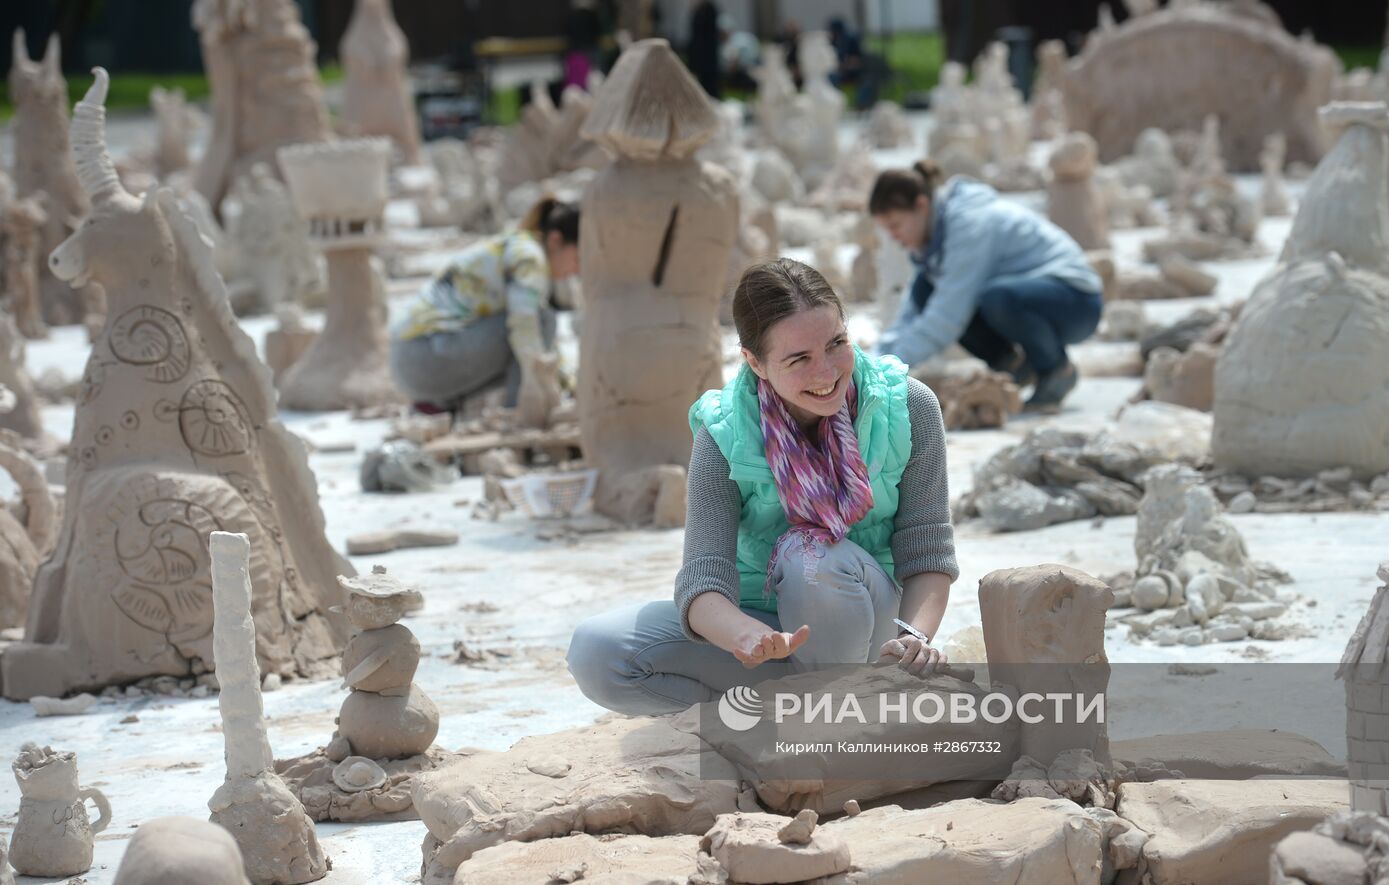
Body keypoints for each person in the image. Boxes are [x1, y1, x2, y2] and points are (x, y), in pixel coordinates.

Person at [567, 259, 959, 715]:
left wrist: (913, 637)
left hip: (873, 633)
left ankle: (839, 710)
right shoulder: (723, 433)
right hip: (769, 639)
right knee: (599, 650)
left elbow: (926, 548)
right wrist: (745, 635)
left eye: (836, 343)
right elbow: (703, 576)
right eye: (799, 359)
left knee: (809, 553)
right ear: (754, 362)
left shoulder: (908, 406)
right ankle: (775, 719)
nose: (827, 372)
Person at [870, 160, 1103, 410]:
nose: (893, 237)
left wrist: (889, 374)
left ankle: (1057, 369)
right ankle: (1012, 366)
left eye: (895, 225)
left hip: (1076, 301)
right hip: (1028, 295)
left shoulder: (968, 225)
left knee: (996, 299)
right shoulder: (933, 241)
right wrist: (875, 363)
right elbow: (912, 313)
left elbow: (946, 318)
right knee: (926, 290)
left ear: (922, 206)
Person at [389, 197, 580, 413]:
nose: (576, 271)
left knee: (535, 339)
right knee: (542, 321)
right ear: (555, 241)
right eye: (577, 259)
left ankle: (440, 405)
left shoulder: (516, 244)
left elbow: (545, 348)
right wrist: (540, 386)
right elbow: (525, 323)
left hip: (409, 362)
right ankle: (523, 417)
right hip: (424, 356)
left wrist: (566, 383)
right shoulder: (530, 256)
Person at [688, 0, 721, 98]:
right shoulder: (697, 11)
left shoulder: (709, 9)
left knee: (709, 83)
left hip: (707, 54)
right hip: (698, 54)